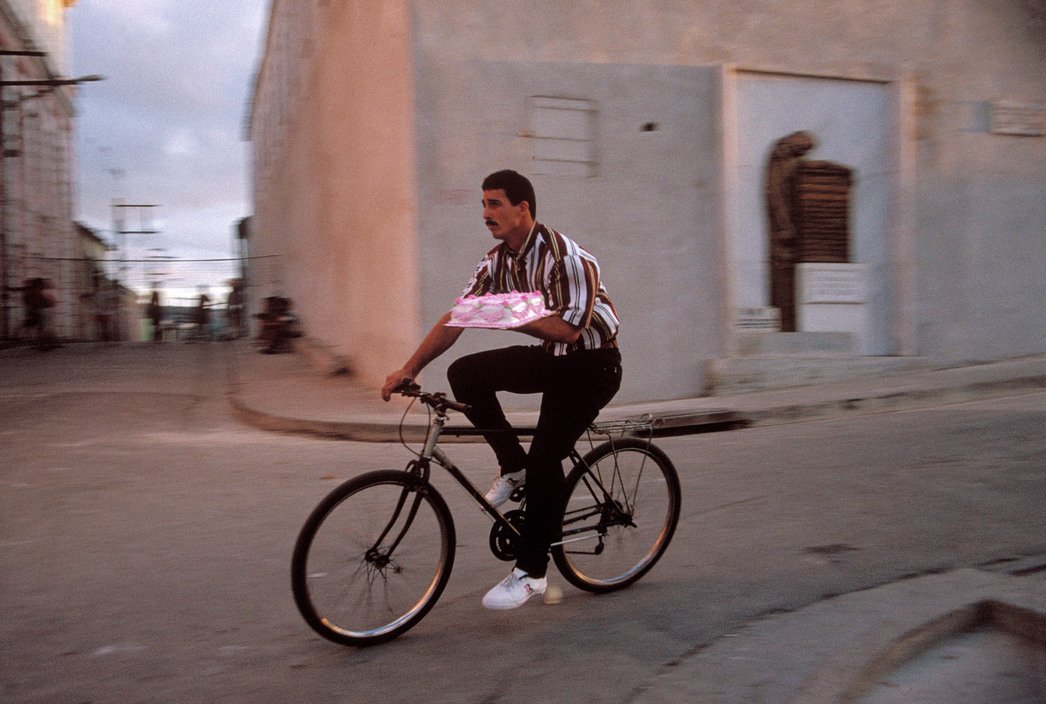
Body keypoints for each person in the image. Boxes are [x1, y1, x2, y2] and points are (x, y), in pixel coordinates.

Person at [382, 170, 622, 611]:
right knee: (466, 373)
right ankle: (514, 466)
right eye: (483, 204)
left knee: (548, 456)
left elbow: (570, 332)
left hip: (592, 364)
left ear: (522, 209)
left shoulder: (567, 258)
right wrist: (409, 368)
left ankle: (531, 573)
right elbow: (458, 316)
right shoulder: (496, 262)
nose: (485, 213)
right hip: (553, 357)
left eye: (494, 204)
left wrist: (509, 312)